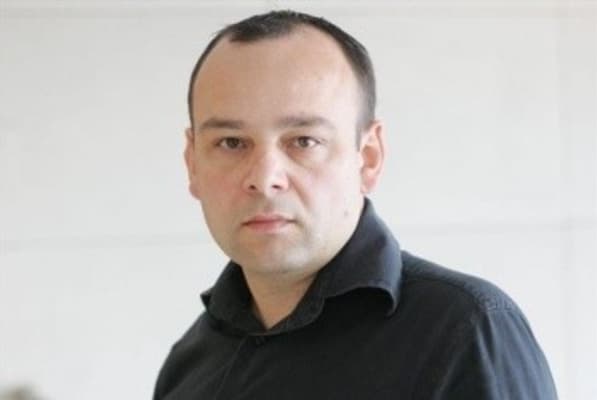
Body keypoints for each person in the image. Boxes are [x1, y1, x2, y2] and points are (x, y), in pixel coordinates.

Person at [153, 10, 558, 400]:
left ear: (368, 158)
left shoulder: (465, 331)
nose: (264, 177)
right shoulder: (188, 365)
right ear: (192, 163)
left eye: (303, 141)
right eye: (231, 143)